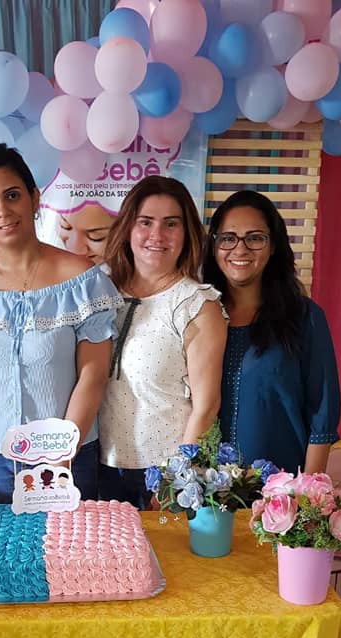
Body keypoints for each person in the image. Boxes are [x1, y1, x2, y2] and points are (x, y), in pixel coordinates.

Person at [0, 143, 123, 515]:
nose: (2, 211)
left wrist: (61, 459)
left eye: (12, 196)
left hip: (66, 460)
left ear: (35, 198)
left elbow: (93, 375)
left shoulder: (83, 281)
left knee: (66, 552)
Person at [98, 175, 228, 509]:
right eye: (145, 222)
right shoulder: (100, 292)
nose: (157, 235)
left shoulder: (196, 304)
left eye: (171, 224)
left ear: (187, 233)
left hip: (160, 473)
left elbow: (206, 407)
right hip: (97, 465)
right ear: (128, 228)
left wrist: (176, 481)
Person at [203, 189, 341, 474]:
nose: (240, 249)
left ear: (273, 245)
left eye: (255, 238)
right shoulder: (198, 316)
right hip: (205, 485)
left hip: (280, 483)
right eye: (228, 238)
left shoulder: (304, 317)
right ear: (214, 245)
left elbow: (322, 411)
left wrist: (306, 490)